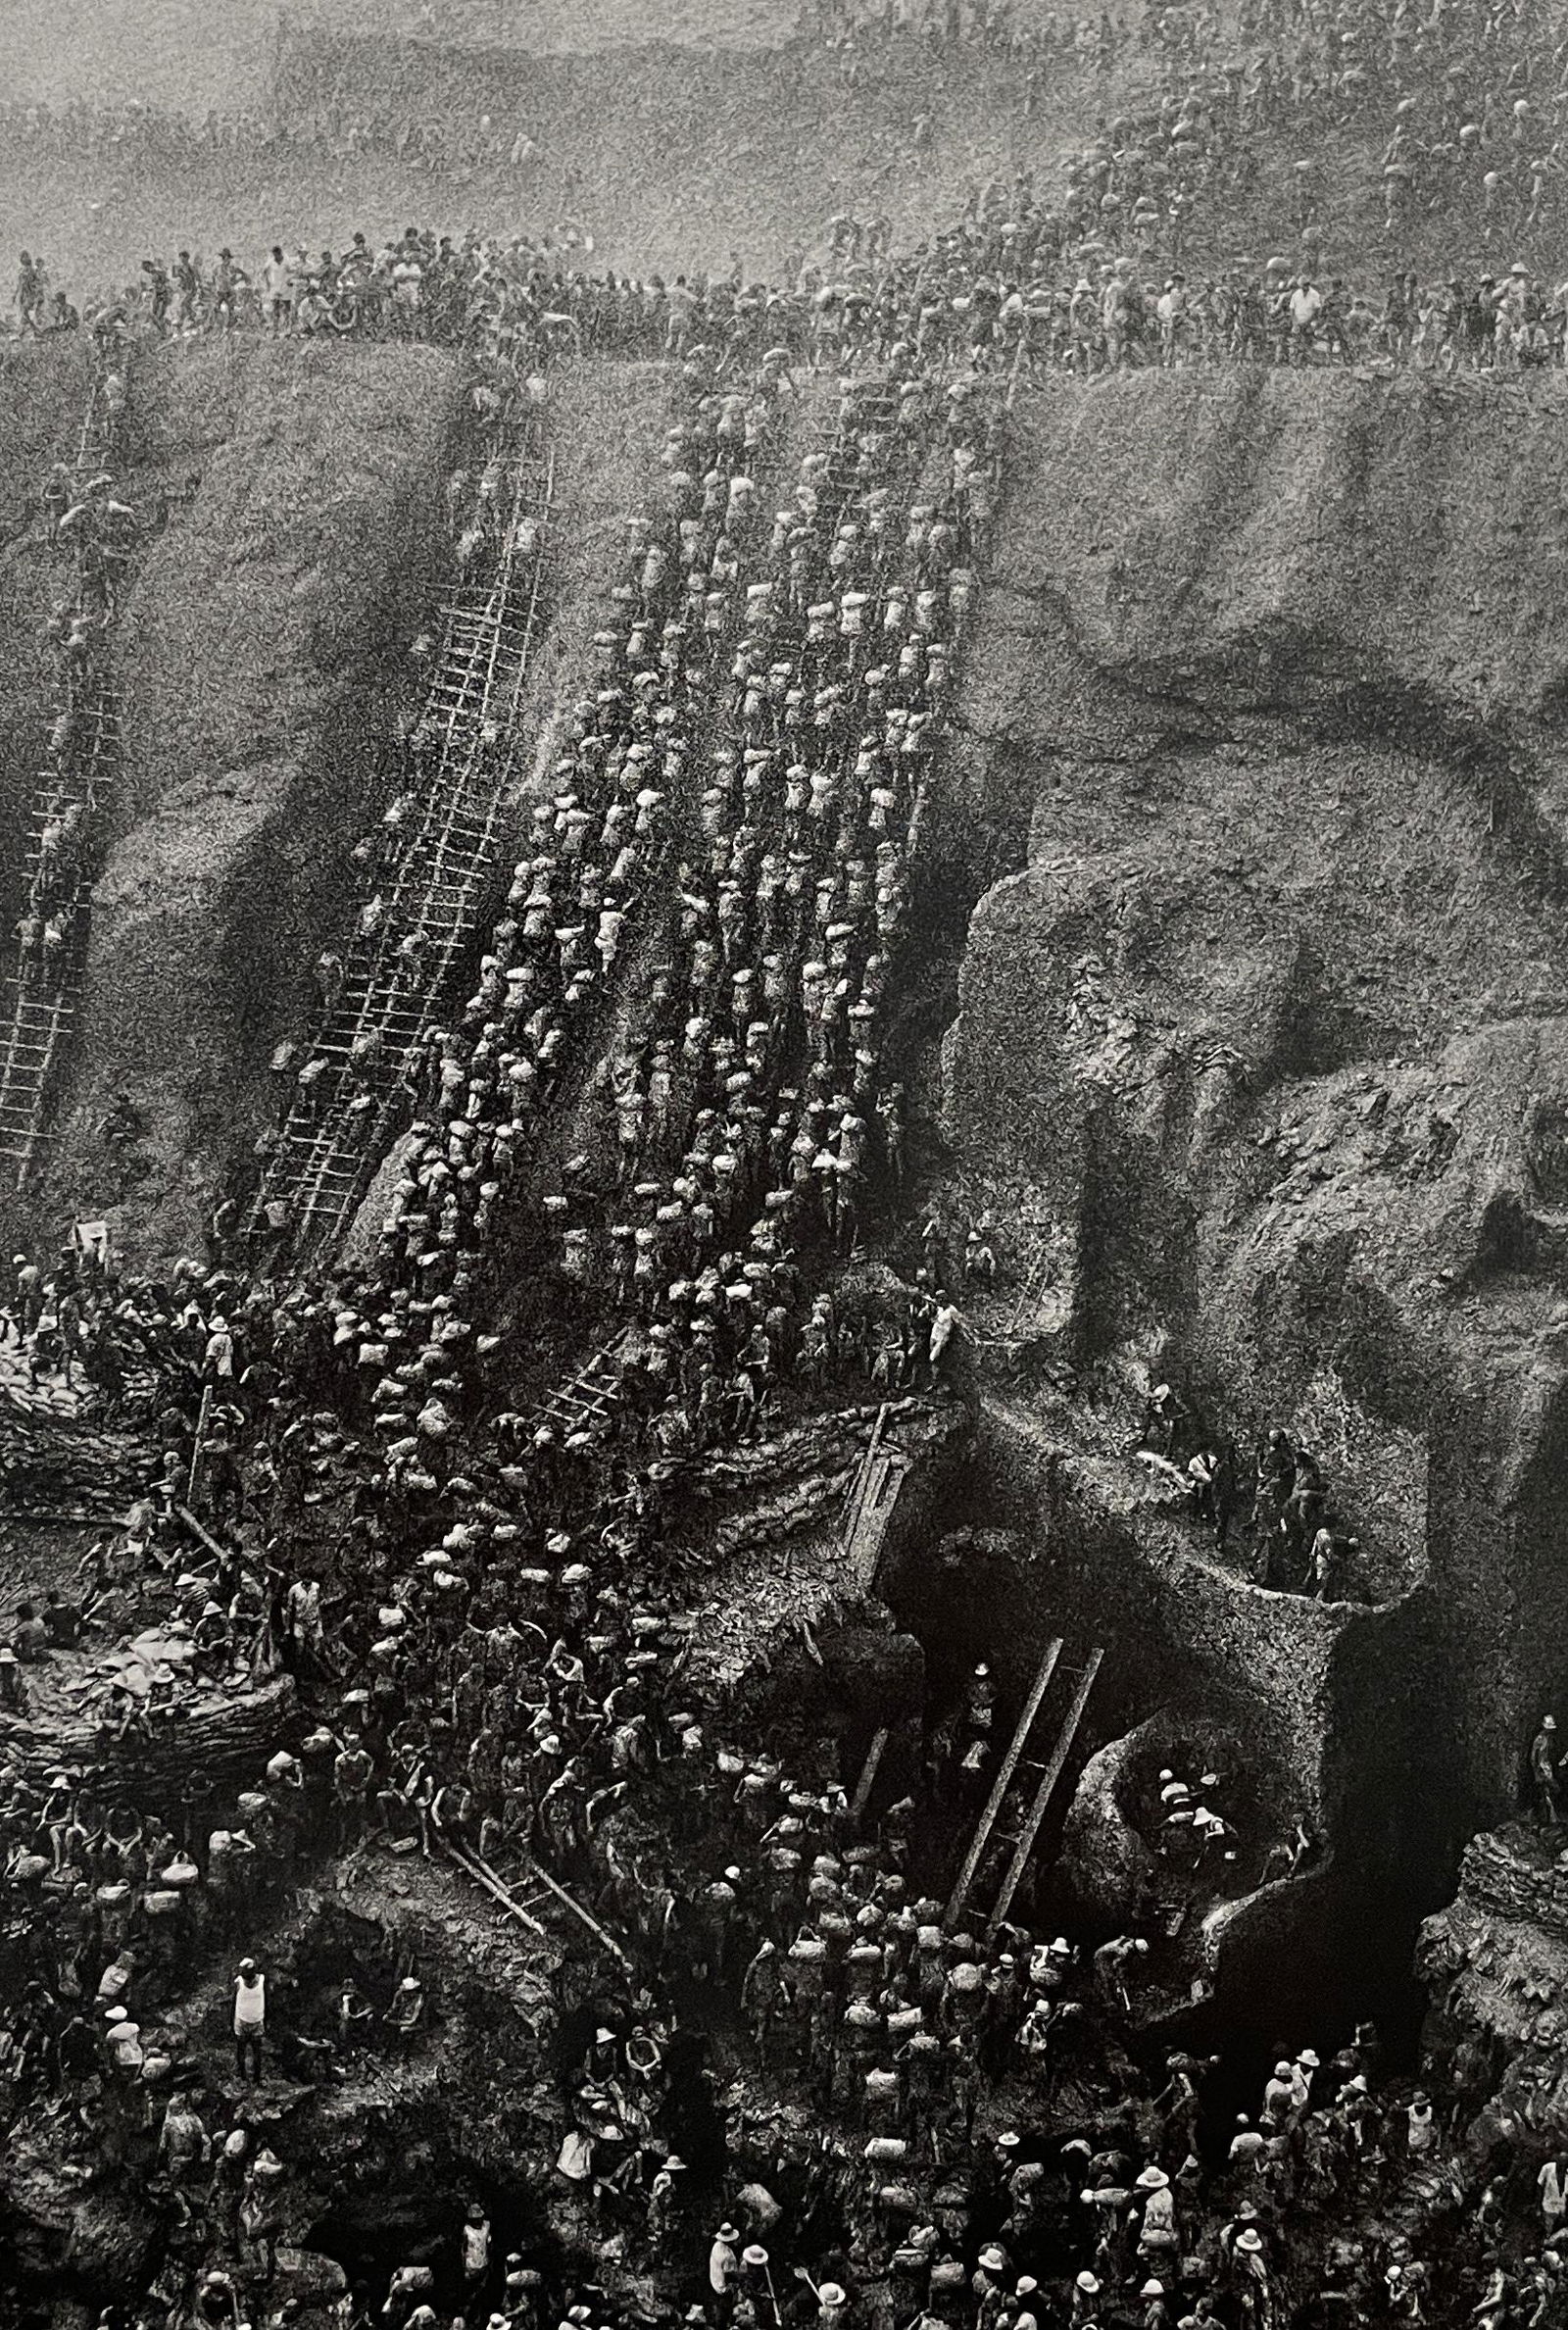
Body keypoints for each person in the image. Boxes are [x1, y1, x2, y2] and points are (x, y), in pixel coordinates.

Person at [232, 1957, 266, 2081]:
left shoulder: (261, 1980)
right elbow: (233, 2001)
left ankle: (254, 2078)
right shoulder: (239, 1982)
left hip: (254, 2020)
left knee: (254, 2051)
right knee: (244, 2050)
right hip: (244, 2020)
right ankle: (244, 2077)